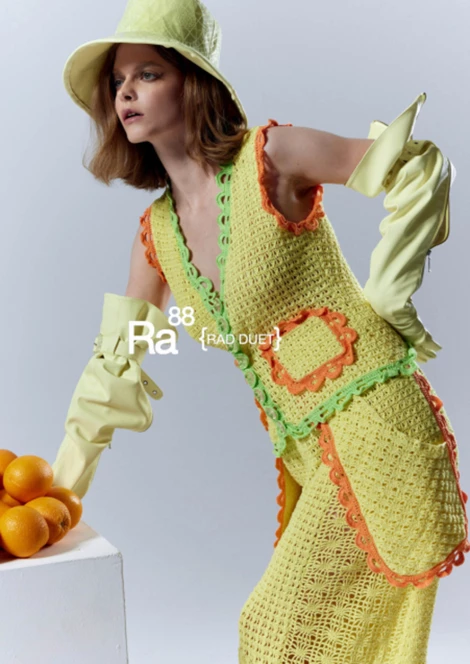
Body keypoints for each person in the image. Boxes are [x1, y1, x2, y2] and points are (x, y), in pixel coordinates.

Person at [51, 0, 470, 662]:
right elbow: (115, 367)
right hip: (309, 453)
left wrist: (389, 294)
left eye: (148, 73)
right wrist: (55, 499)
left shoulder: (270, 157)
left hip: (377, 424)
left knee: (271, 629)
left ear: (195, 83)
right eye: (117, 81)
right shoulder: (157, 235)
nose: (126, 92)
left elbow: (415, 164)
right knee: (320, 644)